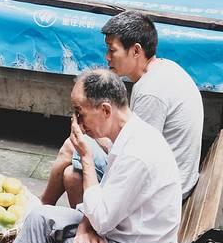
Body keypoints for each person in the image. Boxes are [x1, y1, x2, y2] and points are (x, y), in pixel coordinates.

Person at [1, 68, 182, 243]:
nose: (78, 123)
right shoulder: (135, 135)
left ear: (105, 110)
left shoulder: (136, 154)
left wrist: (86, 157)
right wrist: (86, 225)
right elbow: (104, 204)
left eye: (80, 112)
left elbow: (102, 217)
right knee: (40, 219)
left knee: (42, 231)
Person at [41, 11, 203, 206]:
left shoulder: (151, 92)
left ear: (136, 51)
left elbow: (139, 152)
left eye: (112, 50)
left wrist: (91, 141)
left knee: (72, 147)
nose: (107, 57)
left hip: (164, 190)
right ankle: (73, 223)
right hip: (175, 179)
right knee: (72, 175)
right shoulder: (164, 69)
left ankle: (42, 208)